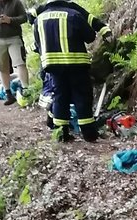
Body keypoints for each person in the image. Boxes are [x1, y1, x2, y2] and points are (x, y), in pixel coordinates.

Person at [30, 0, 110, 142]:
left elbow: (37, 44)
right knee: (82, 97)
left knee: (60, 98)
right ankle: (89, 134)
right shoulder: (73, 14)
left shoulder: (39, 19)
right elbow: (90, 37)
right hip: (76, 63)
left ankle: (61, 134)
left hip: (53, 66)